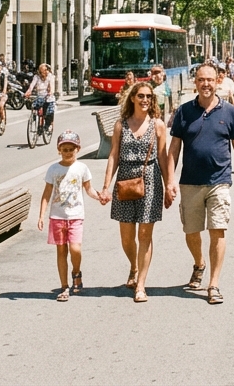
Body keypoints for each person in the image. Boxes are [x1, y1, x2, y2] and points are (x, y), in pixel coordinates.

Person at [166, 62, 234, 305]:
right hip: (190, 182)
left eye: (210, 80)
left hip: (219, 181)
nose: (206, 84)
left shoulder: (229, 111)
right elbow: (174, 149)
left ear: (218, 82)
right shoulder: (184, 112)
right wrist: (170, 180)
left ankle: (213, 284)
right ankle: (199, 263)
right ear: (195, 82)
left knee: (218, 229)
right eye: (201, 80)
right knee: (191, 231)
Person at [99, 81, 173, 302]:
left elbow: (162, 157)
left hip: (150, 180)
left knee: (145, 235)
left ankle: (141, 284)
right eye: (141, 96)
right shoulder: (121, 125)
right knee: (126, 237)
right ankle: (134, 265)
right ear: (132, 98)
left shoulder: (158, 125)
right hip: (124, 180)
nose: (145, 100)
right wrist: (106, 186)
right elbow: (113, 155)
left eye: (149, 96)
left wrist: (169, 185)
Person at [38, 130, 101, 301]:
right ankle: (64, 286)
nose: (67, 152)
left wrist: (99, 197)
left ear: (77, 149)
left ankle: (76, 272)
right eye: (64, 149)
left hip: (76, 215)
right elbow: (47, 193)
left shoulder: (82, 168)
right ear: (59, 150)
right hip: (57, 216)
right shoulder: (53, 169)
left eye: (71, 149)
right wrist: (41, 215)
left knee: (75, 249)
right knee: (61, 251)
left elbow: (88, 189)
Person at [24, 63, 56, 131]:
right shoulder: (36, 77)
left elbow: (52, 87)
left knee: (49, 112)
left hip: (48, 97)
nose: (42, 74)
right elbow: (32, 85)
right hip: (39, 96)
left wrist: (50, 92)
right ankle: (34, 117)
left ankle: (48, 125)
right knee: (34, 106)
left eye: (43, 71)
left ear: (46, 70)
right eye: (40, 72)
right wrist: (28, 91)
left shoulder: (50, 76)